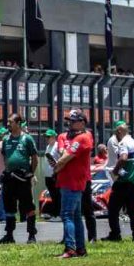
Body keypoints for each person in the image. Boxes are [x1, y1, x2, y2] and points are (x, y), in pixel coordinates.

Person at [53, 109, 93, 258]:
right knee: (75, 216)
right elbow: (63, 152)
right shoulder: (71, 136)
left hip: (73, 181)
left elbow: (66, 157)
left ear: (82, 122)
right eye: (69, 121)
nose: (69, 123)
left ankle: (70, 248)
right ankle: (80, 248)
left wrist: (57, 167)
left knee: (67, 214)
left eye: (73, 121)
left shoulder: (83, 138)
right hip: (69, 180)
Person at [0, 114, 39, 244]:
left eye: (11, 122)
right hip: (9, 178)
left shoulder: (27, 139)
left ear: (19, 123)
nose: (8, 124)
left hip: (23, 178)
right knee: (9, 207)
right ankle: (9, 235)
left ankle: (31, 235)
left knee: (28, 206)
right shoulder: (6, 139)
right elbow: (5, 157)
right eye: (8, 122)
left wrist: (30, 173)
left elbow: (35, 158)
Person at [102, 121, 134, 242]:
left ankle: (115, 234)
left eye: (116, 132)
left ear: (119, 131)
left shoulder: (124, 142)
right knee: (133, 209)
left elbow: (123, 158)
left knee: (113, 208)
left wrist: (115, 170)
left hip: (124, 180)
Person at [41, 129, 60, 220]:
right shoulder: (48, 146)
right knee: (52, 195)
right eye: (46, 137)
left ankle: (58, 214)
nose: (46, 138)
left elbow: (60, 159)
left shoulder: (57, 146)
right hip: (48, 175)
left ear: (53, 137)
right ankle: (55, 213)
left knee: (57, 195)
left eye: (48, 137)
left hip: (55, 174)